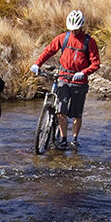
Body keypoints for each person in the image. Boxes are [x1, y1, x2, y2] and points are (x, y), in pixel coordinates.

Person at [31, 9, 100, 148]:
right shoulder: (63, 38)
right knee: (60, 110)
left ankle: (74, 139)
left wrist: (84, 72)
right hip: (63, 77)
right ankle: (63, 138)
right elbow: (49, 51)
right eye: (72, 29)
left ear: (81, 26)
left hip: (79, 82)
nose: (74, 32)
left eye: (76, 29)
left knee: (76, 113)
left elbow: (96, 63)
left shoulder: (89, 42)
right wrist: (37, 64)